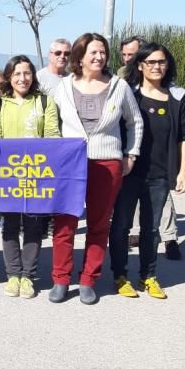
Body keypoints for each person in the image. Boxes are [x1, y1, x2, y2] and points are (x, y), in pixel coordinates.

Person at [48, 33, 142, 305]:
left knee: (99, 225)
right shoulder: (63, 86)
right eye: (93, 52)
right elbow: (51, 123)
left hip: (107, 163)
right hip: (69, 165)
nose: (99, 57)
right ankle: (61, 279)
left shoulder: (118, 86)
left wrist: (131, 154)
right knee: (65, 224)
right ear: (80, 57)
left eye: (102, 52)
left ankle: (89, 279)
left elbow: (134, 122)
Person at [109, 44, 185, 300]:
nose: (157, 66)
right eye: (151, 62)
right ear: (141, 65)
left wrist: (182, 172)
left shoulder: (176, 98)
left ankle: (148, 276)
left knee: (151, 229)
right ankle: (120, 275)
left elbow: (184, 136)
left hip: (159, 175)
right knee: (121, 226)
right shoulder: (129, 95)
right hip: (129, 172)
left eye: (162, 62)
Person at [0, 56, 61, 299]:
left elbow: (53, 134)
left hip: (36, 175)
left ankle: (28, 276)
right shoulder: (0, 105)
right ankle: (12, 275)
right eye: (17, 73)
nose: (23, 78)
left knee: (33, 225)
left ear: (33, 76)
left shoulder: (45, 102)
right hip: (8, 175)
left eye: (27, 73)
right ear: (9, 77)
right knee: (9, 225)